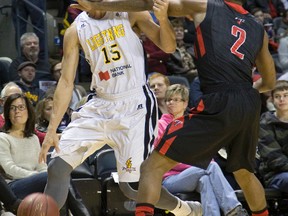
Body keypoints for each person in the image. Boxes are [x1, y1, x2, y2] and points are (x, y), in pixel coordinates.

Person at [71, 0, 276, 215]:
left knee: (152, 167)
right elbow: (270, 82)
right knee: (244, 172)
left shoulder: (205, 6)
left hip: (219, 96)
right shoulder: (257, 27)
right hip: (249, 100)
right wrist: (240, 94)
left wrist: (99, 5)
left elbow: (152, 3)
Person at [38, 2, 204, 216]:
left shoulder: (130, 10)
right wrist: (52, 130)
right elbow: (66, 82)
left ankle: (184, 210)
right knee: (57, 166)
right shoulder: (75, 30)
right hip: (100, 104)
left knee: (133, 188)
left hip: (134, 105)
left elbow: (169, 47)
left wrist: (162, 19)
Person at [158, 84, 248, 216]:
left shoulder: (193, 125)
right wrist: (196, 163)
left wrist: (196, 162)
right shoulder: (161, 125)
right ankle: (234, 209)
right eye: (168, 100)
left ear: (185, 103)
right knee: (210, 167)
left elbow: (205, 153)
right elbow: (168, 157)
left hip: (195, 173)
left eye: (176, 99)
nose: (171, 103)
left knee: (206, 180)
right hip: (169, 179)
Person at [0, 93, 91, 216]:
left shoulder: (33, 138)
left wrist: (42, 175)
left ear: (28, 111)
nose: (17, 111)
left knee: (59, 177)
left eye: (21, 107)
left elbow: (41, 165)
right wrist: (39, 176)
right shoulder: (2, 138)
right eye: (12, 108)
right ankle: (82, 213)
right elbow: (9, 169)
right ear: (7, 113)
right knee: (58, 175)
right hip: (14, 186)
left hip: (36, 181)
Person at [258, 80, 288, 194]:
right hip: (275, 174)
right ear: (272, 99)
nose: (282, 99)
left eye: (286, 96)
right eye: (277, 96)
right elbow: (274, 158)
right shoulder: (265, 123)